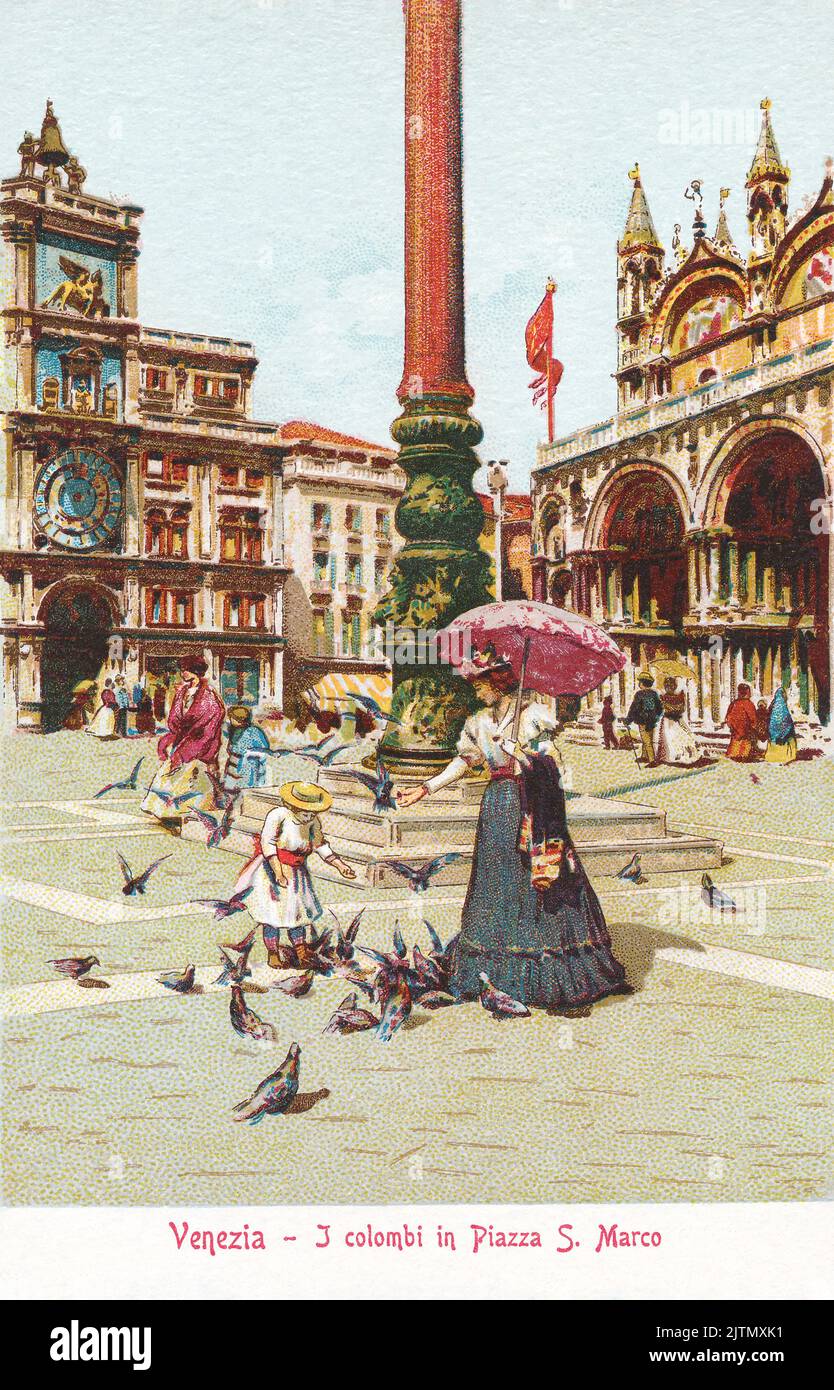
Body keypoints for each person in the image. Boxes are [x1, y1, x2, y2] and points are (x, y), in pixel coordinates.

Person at [398, 653, 630, 1013]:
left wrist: (520, 754)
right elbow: (465, 761)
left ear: (499, 680)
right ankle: (494, 974)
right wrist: (425, 788)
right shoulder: (477, 721)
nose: (476, 690)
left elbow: (555, 767)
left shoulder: (534, 714)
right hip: (496, 807)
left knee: (535, 883)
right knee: (497, 883)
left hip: (531, 806)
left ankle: (548, 976)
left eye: (480, 682)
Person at [233, 781, 355, 966]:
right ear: (293, 806)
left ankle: (301, 952)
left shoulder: (312, 821)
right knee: (273, 914)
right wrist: (278, 872)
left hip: (298, 872)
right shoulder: (278, 815)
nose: (309, 816)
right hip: (274, 869)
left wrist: (340, 865)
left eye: (313, 812)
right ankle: (273, 953)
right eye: (306, 812)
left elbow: (320, 844)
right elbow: (268, 843)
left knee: (298, 915)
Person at [141, 657, 225, 823]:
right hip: (181, 739)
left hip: (198, 742)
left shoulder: (209, 694)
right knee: (172, 776)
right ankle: (166, 811)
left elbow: (213, 719)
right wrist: (175, 731)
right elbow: (174, 715)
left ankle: (190, 812)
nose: (182, 673)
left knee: (192, 778)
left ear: (195, 671)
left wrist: (194, 739)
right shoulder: (182, 691)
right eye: (182, 669)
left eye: (185, 669)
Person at [653, 677, 701, 766]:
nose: (669, 688)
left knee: (679, 737)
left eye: (671, 686)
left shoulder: (677, 697)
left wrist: (668, 707)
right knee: (669, 738)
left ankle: (680, 755)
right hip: (669, 721)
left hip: (675, 721)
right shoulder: (664, 697)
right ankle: (671, 756)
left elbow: (681, 709)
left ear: (674, 686)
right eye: (667, 686)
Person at [223, 705, 271, 793]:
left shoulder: (253, 731)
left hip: (248, 764)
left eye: (232, 718)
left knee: (245, 786)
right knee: (231, 784)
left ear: (239, 720)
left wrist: (249, 753)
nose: (230, 719)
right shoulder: (233, 729)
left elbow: (264, 748)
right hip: (233, 762)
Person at [624, 670, 663, 766]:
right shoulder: (654, 694)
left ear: (642, 683)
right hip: (652, 721)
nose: (638, 684)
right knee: (648, 738)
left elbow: (634, 708)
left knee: (646, 740)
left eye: (639, 682)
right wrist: (656, 717)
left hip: (642, 720)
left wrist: (628, 720)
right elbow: (660, 708)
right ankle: (644, 756)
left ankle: (652, 760)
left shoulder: (639, 694)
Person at [723, 683, 759, 761]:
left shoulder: (734, 703)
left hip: (736, 731)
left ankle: (735, 756)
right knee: (745, 748)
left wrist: (732, 726)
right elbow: (753, 718)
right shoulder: (749, 704)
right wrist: (754, 726)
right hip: (746, 731)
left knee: (735, 748)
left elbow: (728, 717)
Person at [764, 685, 797, 765]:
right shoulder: (783, 706)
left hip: (773, 735)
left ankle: (772, 756)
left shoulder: (773, 705)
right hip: (783, 737)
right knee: (790, 734)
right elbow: (787, 722)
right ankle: (786, 756)